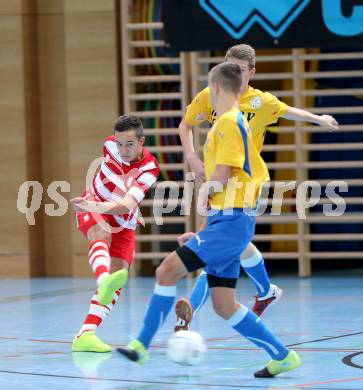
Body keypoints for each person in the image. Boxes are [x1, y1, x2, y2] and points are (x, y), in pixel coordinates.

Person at [116, 62, 301, 378]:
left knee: (166, 270)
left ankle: (141, 345)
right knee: (224, 305)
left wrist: (202, 196)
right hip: (225, 222)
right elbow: (225, 188)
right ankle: (283, 356)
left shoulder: (229, 122)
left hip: (232, 222)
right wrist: (202, 230)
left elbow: (222, 174)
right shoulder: (231, 122)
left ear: (215, 88)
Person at [175, 44, 340, 330]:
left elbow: (290, 111)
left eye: (239, 70)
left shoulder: (259, 102)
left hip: (245, 182)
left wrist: (318, 118)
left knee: (218, 240)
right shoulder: (211, 95)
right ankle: (266, 291)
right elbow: (185, 125)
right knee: (235, 242)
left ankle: (185, 318)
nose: (233, 74)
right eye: (229, 67)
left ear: (251, 72)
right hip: (219, 177)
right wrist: (192, 158)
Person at [70, 115, 159, 353]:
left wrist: (95, 207)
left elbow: (128, 205)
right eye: (120, 144)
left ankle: (85, 335)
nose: (123, 150)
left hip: (122, 219)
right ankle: (102, 281)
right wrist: (93, 205)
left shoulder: (149, 168)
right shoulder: (109, 145)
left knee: (120, 273)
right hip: (94, 203)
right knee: (101, 233)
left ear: (141, 141)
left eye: (129, 144)